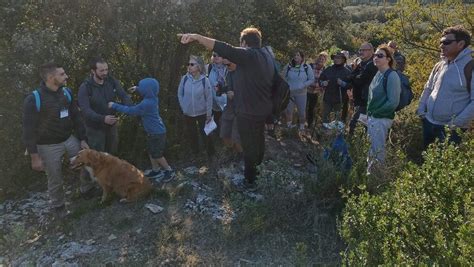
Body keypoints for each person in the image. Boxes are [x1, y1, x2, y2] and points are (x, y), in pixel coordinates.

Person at [178, 27, 274, 191]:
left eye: (240, 43)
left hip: (249, 111)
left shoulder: (250, 55)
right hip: (261, 109)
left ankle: (250, 181)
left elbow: (224, 48)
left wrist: (196, 36)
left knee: (249, 145)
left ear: (244, 42)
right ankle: (258, 174)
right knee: (258, 143)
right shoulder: (266, 56)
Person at [22, 62, 93, 217]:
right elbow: (28, 131)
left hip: (69, 139)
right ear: (50, 77)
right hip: (47, 146)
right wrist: (34, 157)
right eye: (62, 74)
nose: (66, 76)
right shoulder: (34, 99)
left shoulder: (66, 92)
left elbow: (76, 116)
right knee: (55, 177)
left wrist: (82, 138)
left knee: (87, 162)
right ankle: (58, 206)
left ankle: (86, 189)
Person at [416, 25, 473, 148]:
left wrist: (455, 124)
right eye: (441, 42)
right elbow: (428, 88)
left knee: (445, 164)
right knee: (427, 162)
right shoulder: (439, 65)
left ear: (461, 44)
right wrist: (421, 110)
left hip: (452, 130)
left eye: (447, 42)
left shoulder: (470, 67)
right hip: (429, 123)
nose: (441, 45)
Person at [108, 78, 175, 182]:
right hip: (154, 132)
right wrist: (137, 88)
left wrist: (114, 105)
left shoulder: (146, 104)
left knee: (157, 154)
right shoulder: (153, 97)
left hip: (157, 133)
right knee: (151, 151)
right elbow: (148, 90)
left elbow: (131, 111)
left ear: (146, 91)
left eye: (142, 88)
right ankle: (156, 170)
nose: (141, 89)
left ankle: (169, 170)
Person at [78, 57, 132, 154]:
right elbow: (85, 110)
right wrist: (103, 118)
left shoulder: (111, 81)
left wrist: (126, 108)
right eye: (101, 70)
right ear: (93, 71)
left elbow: (124, 95)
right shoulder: (86, 87)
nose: (105, 73)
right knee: (97, 159)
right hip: (94, 129)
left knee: (112, 156)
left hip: (112, 127)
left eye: (106, 69)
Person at [366, 45, 401, 174]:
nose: (376, 57)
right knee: (372, 148)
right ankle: (370, 175)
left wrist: (376, 112)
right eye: (375, 55)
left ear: (388, 59)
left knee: (378, 150)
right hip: (373, 117)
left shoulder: (392, 76)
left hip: (382, 119)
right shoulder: (378, 73)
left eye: (380, 55)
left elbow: (393, 102)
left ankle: (378, 178)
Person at [177, 55, 215, 159]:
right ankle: (196, 155)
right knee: (192, 134)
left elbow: (209, 98)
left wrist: (208, 114)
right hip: (188, 113)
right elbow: (180, 94)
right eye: (188, 64)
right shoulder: (184, 79)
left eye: (192, 64)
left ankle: (211, 155)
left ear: (199, 66)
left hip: (202, 113)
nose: (189, 66)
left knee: (206, 134)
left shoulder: (204, 80)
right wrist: (183, 107)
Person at [345, 42, 378, 135]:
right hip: (359, 99)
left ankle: (354, 147)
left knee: (354, 125)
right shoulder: (361, 63)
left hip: (367, 101)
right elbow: (351, 77)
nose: (361, 52)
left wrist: (354, 77)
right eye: (360, 50)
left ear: (372, 51)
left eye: (364, 50)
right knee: (361, 126)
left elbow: (359, 80)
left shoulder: (372, 64)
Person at [283, 51, 315, 130]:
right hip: (289, 93)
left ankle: (301, 128)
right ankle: (289, 128)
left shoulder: (306, 67)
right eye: (294, 55)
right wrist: (287, 85)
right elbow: (283, 76)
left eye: (298, 55)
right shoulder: (289, 66)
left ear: (302, 57)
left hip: (301, 93)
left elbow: (311, 79)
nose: (296, 56)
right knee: (288, 111)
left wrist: (303, 85)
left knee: (301, 112)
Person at [219, 58, 243, 160]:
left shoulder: (244, 74)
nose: (226, 66)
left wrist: (235, 94)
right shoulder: (229, 74)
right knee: (224, 133)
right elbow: (229, 87)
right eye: (225, 65)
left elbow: (251, 92)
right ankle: (232, 152)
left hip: (241, 109)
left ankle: (241, 155)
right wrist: (221, 89)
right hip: (229, 107)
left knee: (236, 135)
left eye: (228, 64)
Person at [319, 51, 351, 125]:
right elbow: (320, 79)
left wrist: (342, 83)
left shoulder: (347, 72)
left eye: (339, 58)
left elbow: (350, 85)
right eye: (335, 57)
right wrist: (322, 83)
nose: (336, 59)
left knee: (338, 120)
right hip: (327, 98)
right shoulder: (328, 69)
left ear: (343, 60)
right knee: (325, 117)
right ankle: (324, 134)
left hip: (340, 100)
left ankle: (335, 135)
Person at [307, 52, 328, 128]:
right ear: (317, 58)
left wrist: (323, 89)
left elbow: (325, 81)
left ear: (325, 60)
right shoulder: (311, 66)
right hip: (307, 90)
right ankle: (300, 123)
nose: (321, 60)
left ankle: (309, 124)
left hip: (316, 92)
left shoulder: (325, 69)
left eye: (323, 59)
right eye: (320, 58)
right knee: (303, 107)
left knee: (312, 109)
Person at [208, 52, 228, 129]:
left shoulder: (228, 68)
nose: (216, 57)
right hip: (214, 105)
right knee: (216, 127)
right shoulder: (210, 67)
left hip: (226, 103)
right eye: (214, 55)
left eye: (219, 55)